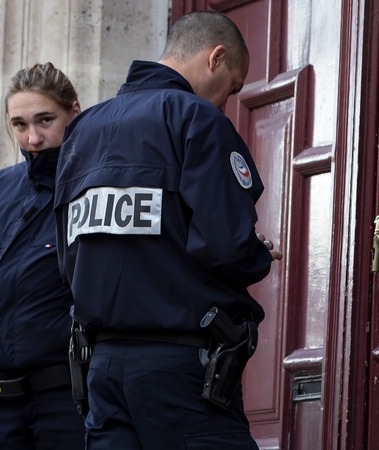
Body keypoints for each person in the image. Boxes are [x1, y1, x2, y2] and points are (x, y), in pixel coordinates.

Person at [53, 10, 281, 450]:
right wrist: (255, 253)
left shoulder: (83, 130)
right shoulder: (196, 119)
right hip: (181, 369)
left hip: (101, 370)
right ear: (215, 57)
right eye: (232, 87)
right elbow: (227, 246)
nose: (226, 101)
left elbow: (68, 257)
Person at [0, 63, 86, 448]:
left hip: (66, 401)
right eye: (19, 124)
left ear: (73, 113)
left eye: (45, 120)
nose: (33, 137)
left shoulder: (92, 185)